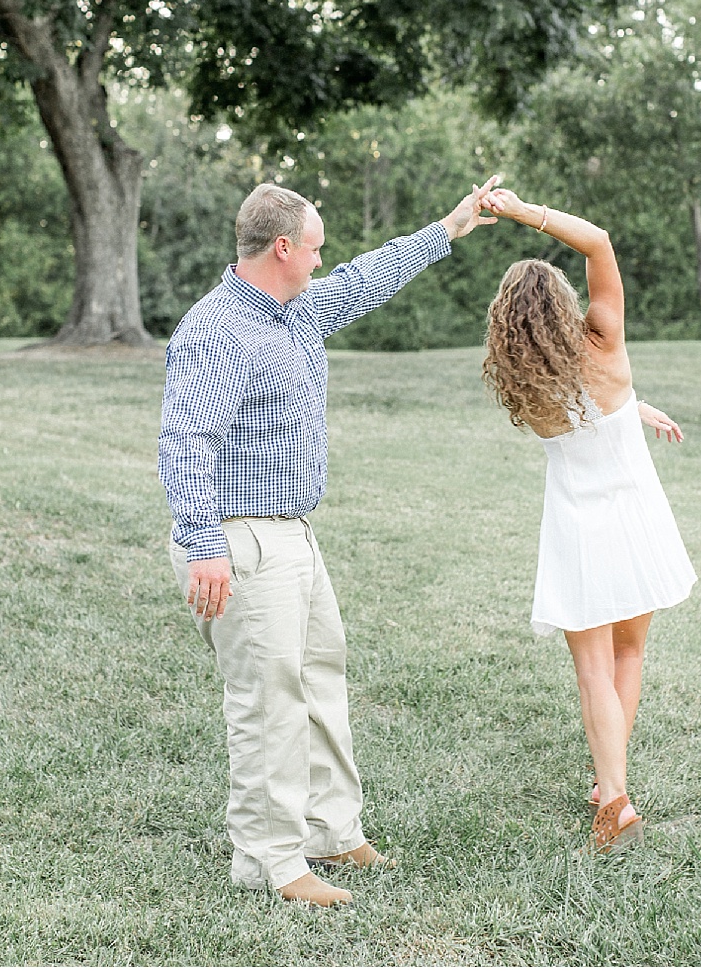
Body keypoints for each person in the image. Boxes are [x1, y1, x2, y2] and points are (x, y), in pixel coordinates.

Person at [157, 175, 501, 906]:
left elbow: (367, 276)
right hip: (238, 538)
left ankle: (331, 830)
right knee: (268, 698)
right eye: (313, 246)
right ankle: (271, 860)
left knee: (320, 677)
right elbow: (186, 441)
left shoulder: (298, 309)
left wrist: (449, 226)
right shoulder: (218, 329)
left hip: (293, 535)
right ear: (282, 247)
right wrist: (202, 544)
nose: (322, 259)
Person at [477, 185, 696, 855]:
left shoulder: (522, 381)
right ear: (565, 304)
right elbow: (598, 240)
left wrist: (634, 408)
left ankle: (616, 793)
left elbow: (582, 412)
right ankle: (610, 789)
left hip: (579, 528)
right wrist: (522, 212)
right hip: (639, 518)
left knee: (593, 669)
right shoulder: (606, 341)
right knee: (630, 651)